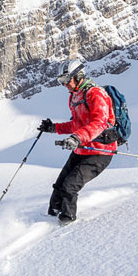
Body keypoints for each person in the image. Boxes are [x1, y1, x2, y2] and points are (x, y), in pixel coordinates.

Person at [37, 59, 117, 225]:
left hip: (100, 152)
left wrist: (77, 138)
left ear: (78, 76)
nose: (64, 84)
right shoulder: (75, 96)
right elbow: (76, 124)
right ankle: (49, 217)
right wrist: (53, 128)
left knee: (70, 186)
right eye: (61, 81)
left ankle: (66, 224)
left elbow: (100, 122)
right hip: (82, 149)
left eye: (66, 80)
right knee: (59, 186)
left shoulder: (96, 94)